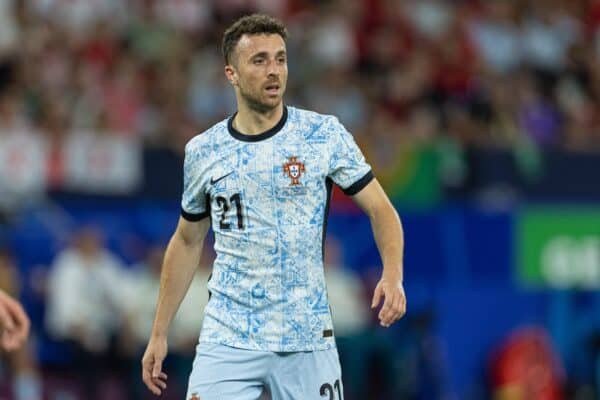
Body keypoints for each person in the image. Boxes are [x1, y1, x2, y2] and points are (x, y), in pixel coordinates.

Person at [142, 13, 407, 399]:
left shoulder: (322, 135)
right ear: (231, 74)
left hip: (306, 336)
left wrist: (393, 274)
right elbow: (186, 241)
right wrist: (159, 331)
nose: (274, 71)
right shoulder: (204, 151)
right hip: (228, 336)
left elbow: (381, 210)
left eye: (280, 59)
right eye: (260, 60)